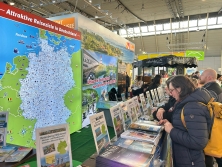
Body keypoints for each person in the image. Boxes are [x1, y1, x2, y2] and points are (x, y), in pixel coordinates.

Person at [159, 75, 212, 167]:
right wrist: (169, 123)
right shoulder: (186, 102)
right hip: (186, 157)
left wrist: (171, 130)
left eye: (172, 90)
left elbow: (198, 142)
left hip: (190, 161)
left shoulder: (192, 107)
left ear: (180, 88)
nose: (171, 94)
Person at [199, 69, 222, 167]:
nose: (200, 77)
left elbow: (202, 107)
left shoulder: (211, 90)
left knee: (213, 154)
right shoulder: (214, 87)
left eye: (202, 75)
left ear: (209, 77)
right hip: (213, 127)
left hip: (212, 128)